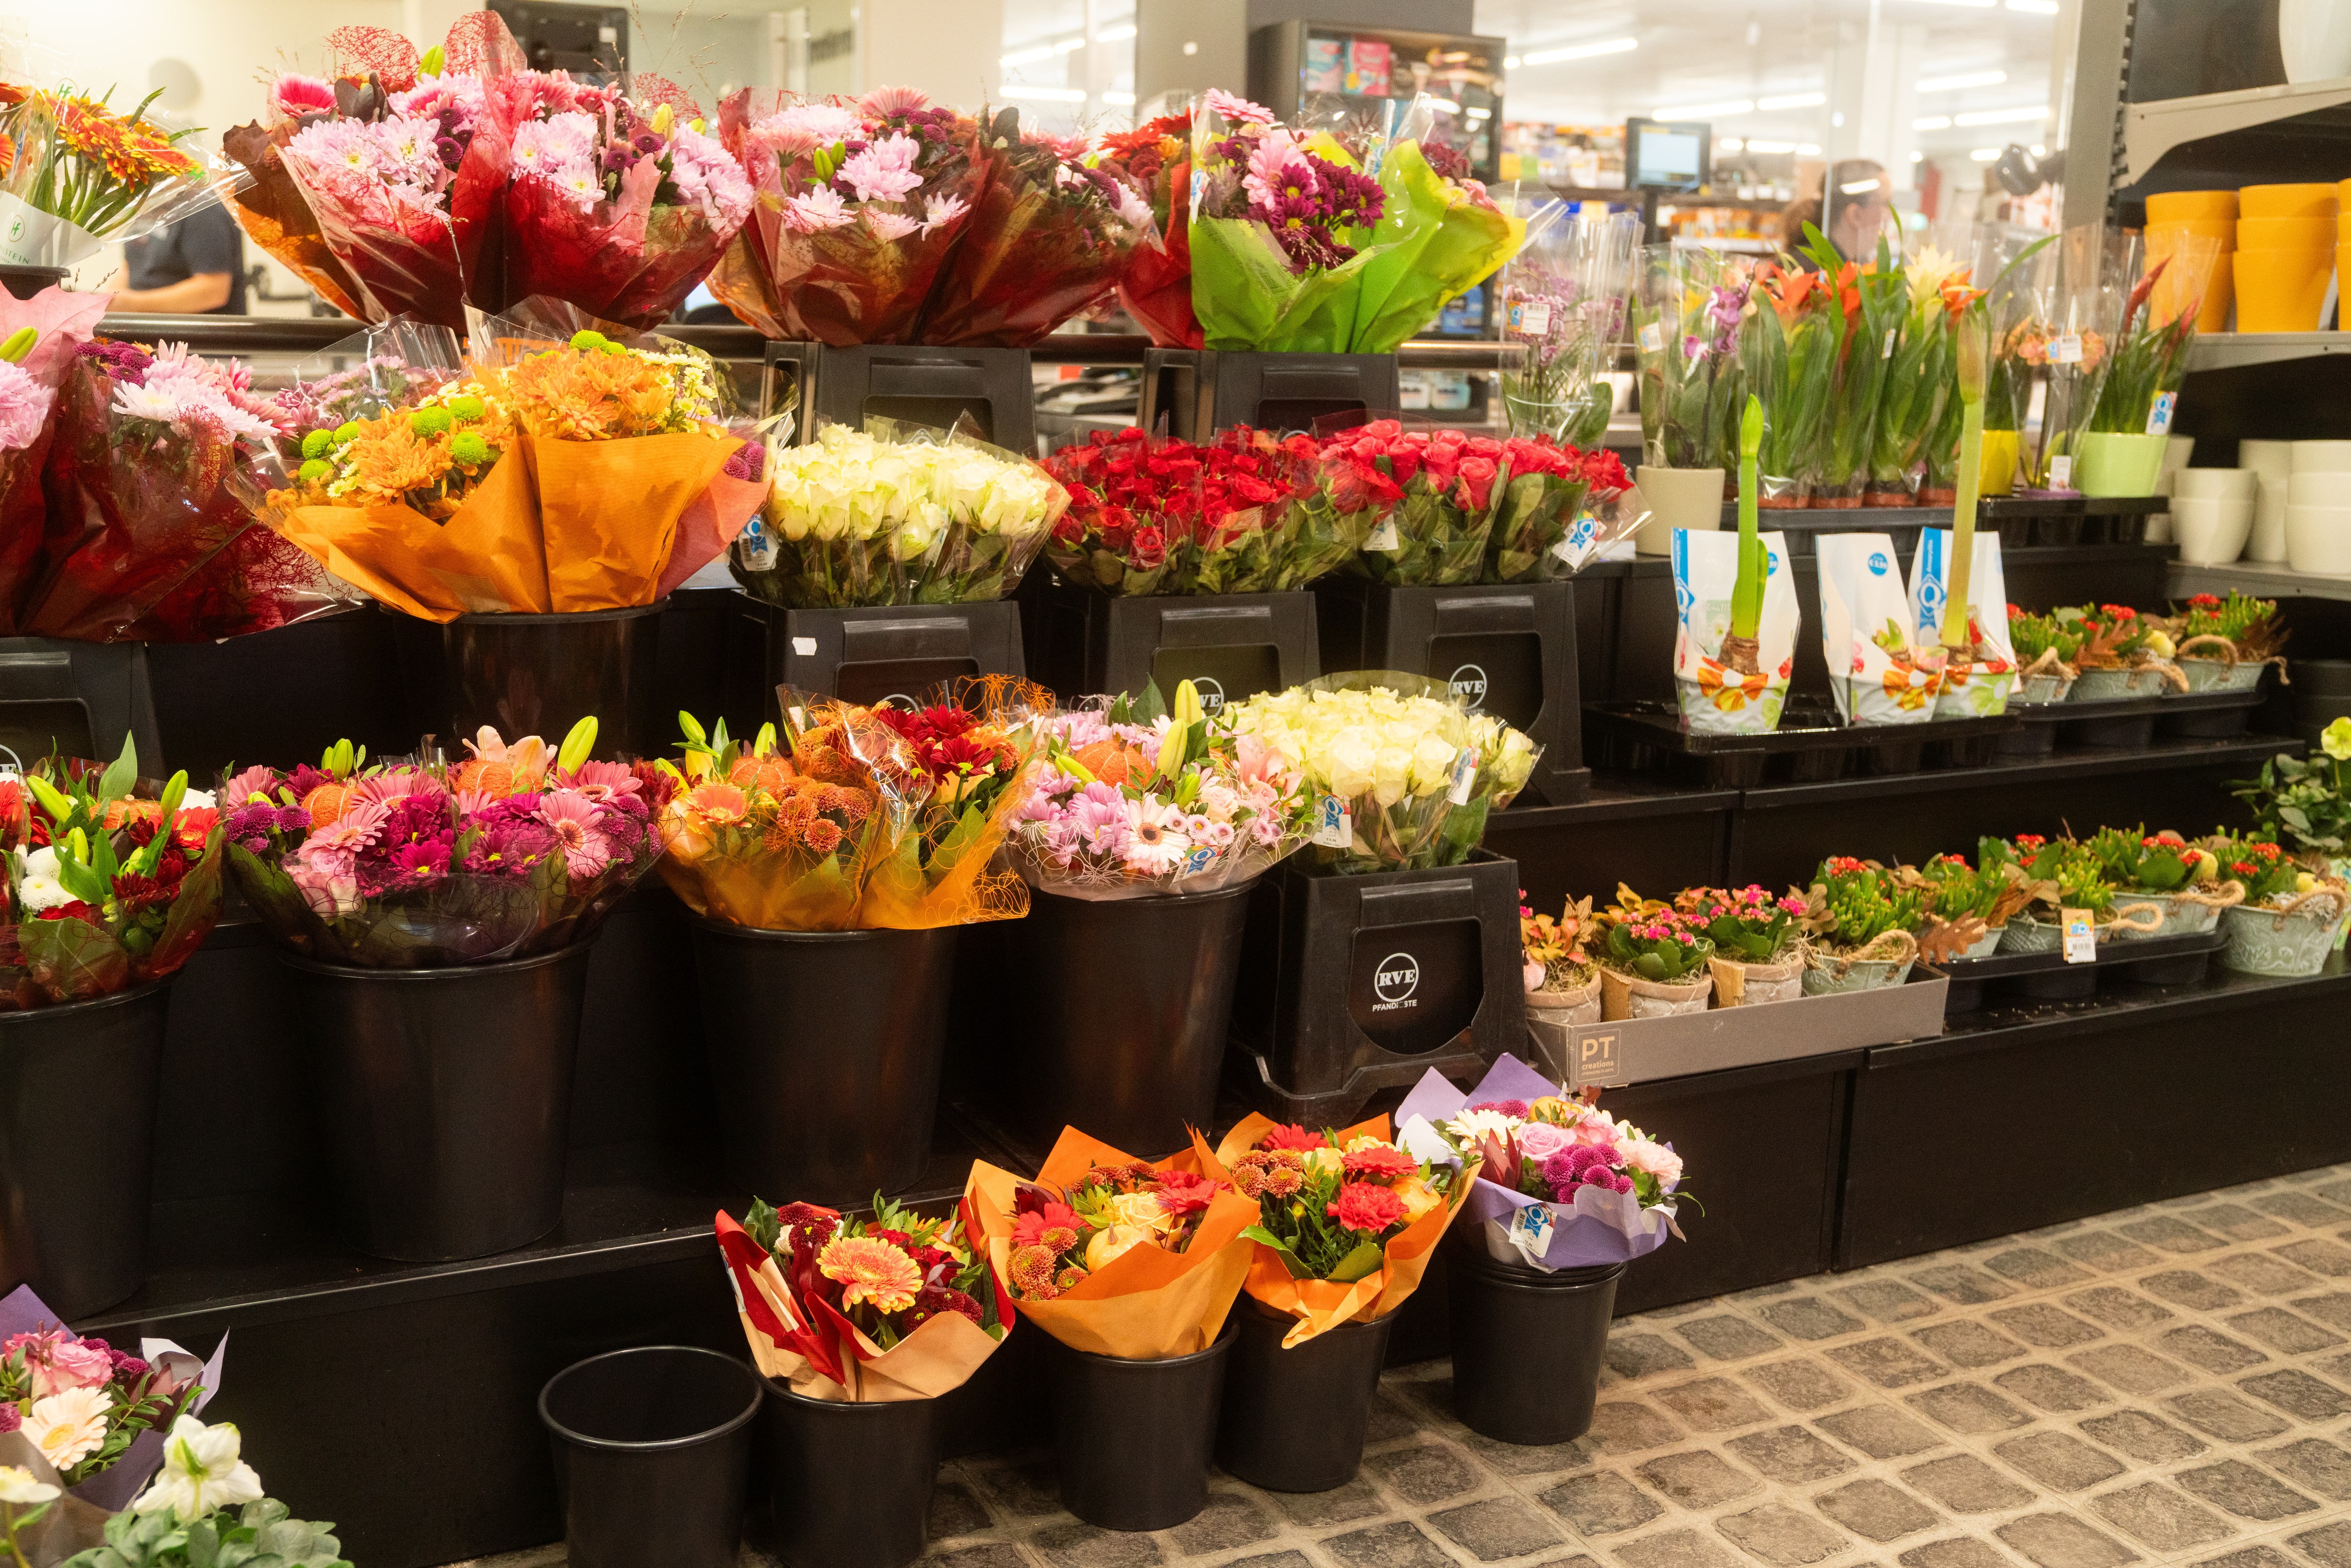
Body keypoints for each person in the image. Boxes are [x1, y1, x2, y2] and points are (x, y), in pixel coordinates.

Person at [104, 203, 246, 314]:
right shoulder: (146, 205)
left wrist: (132, 304)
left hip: (193, 337)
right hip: (144, 329)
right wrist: (112, 297)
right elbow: (132, 262)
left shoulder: (203, 209)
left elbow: (213, 291)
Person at [1776, 158, 1893, 261]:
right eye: (1885, 204)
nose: (1891, 215)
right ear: (1856, 215)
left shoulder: (1831, 265)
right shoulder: (1816, 273)